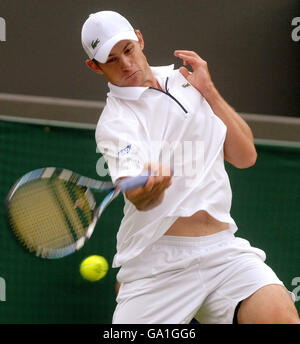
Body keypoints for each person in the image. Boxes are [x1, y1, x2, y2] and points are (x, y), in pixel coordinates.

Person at [81, 10, 300, 324]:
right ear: (95, 66)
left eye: (128, 49)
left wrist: (209, 91)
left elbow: (245, 156)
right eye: (112, 59)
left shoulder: (187, 80)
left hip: (223, 251)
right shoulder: (115, 123)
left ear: (140, 40)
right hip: (158, 264)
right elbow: (139, 196)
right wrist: (151, 188)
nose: (126, 64)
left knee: (281, 318)